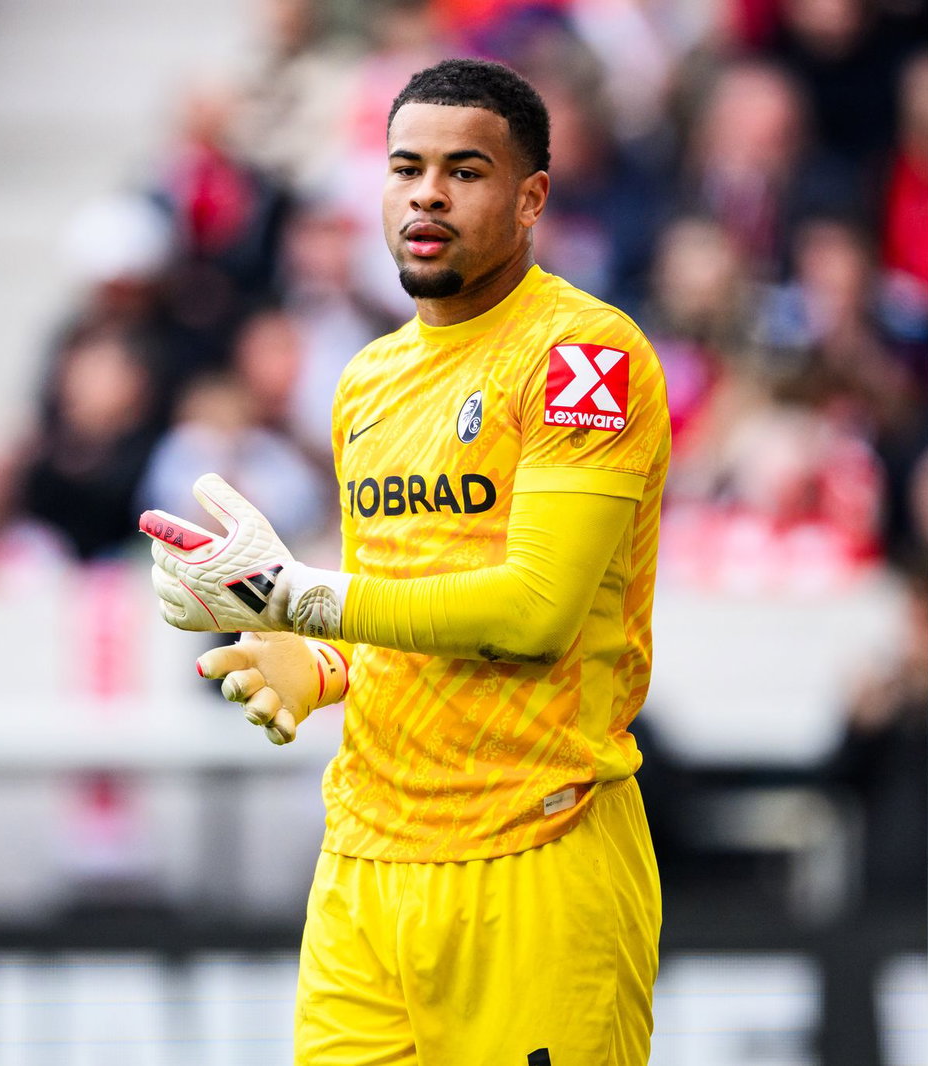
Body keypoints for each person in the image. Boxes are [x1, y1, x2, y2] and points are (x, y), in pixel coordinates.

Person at [139, 58, 669, 1065]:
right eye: (405, 167)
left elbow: (532, 611)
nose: (427, 191)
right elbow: (414, 591)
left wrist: (302, 600)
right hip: (363, 867)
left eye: (465, 171)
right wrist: (326, 664)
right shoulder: (365, 384)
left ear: (530, 200)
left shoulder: (582, 356)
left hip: (535, 854)